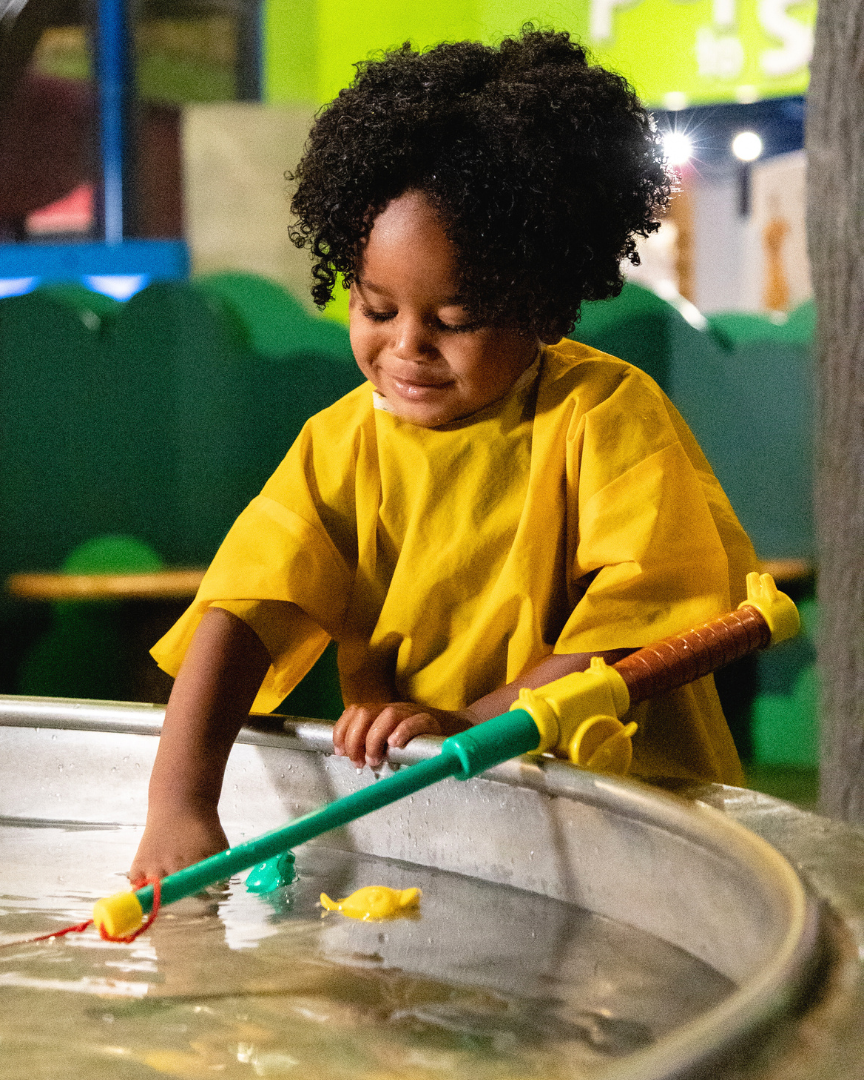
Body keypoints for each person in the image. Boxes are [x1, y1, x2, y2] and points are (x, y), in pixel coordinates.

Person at [130, 29, 755, 883]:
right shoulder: (342, 444)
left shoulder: (605, 415)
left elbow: (644, 625)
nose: (407, 348)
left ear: (542, 304)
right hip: (440, 819)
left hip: (629, 829)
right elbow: (241, 610)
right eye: (377, 308)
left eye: (454, 321)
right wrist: (180, 803)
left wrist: (475, 724)